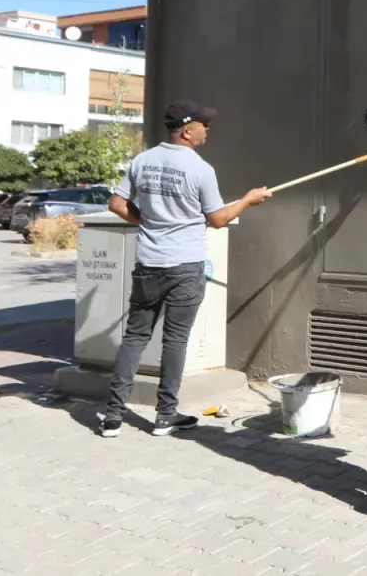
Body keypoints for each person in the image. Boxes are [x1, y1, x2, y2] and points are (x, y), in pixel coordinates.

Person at [96, 100, 270, 438]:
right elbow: (218, 220)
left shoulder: (142, 160)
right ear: (188, 131)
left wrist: (148, 223)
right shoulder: (200, 169)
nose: (209, 129)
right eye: (205, 124)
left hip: (148, 263)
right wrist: (248, 200)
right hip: (185, 267)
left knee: (134, 338)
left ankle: (113, 417)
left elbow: (116, 203)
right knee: (175, 341)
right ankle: (164, 417)